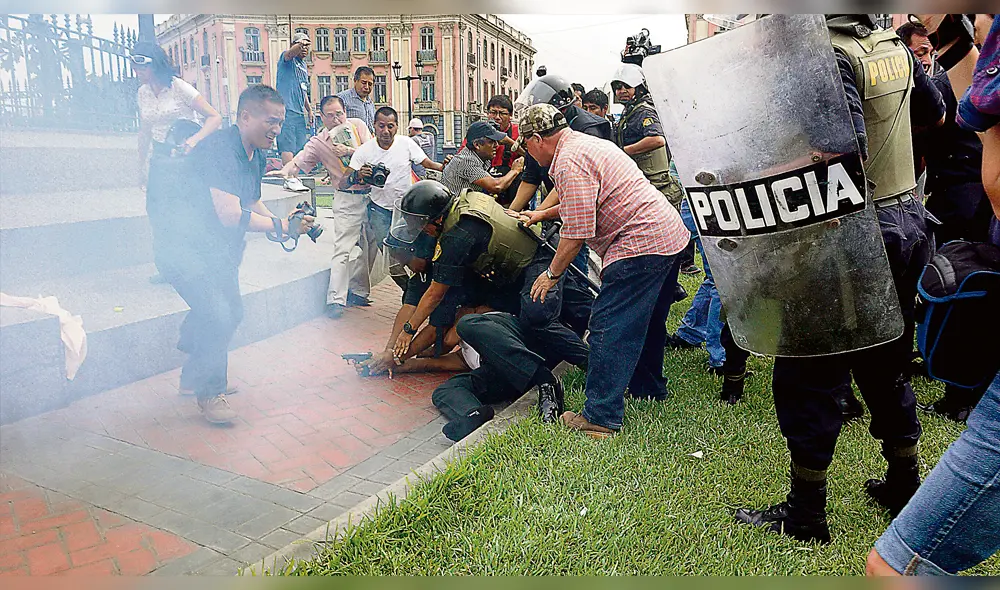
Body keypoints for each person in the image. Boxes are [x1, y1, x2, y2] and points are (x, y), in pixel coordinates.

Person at [734, 13, 946, 544]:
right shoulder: (885, 43)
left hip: (851, 232)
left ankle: (807, 514)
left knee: (810, 367)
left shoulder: (822, 50)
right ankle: (904, 483)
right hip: (906, 222)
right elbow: (936, 113)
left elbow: (842, 152)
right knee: (887, 361)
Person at [865, 13, 1000, 577]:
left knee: (892, 570)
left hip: (927, 204)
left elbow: (946, 118)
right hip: (930, 203)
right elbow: (959, 107)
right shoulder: (962, 57)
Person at [516, 103, 689, 439]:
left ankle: (600, 417)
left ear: (537, 139)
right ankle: (648, 388)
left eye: (525, 145)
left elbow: (578, 231)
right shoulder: (584, 144)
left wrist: (551, 275)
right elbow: (582, 200)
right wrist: (540, 215)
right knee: (648, 321)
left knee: (609, 326)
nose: (526, 153)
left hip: (638, 244)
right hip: (666, 234)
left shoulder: (567, 163)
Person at [156, 85, 315, 424]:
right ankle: (211, 393)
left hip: (217, 252)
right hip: (182, 249)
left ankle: (192, 373)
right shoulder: (220, 150)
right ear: (245, 117)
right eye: (270, 121)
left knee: (232, 311)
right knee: (217, 314)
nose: (276, 130)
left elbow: (250, 201)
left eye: (280, 122)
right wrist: (282, 226)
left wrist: (281, 224)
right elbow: (229, 214)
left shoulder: (253, 153)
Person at [266, 95, 372, 318]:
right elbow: (300, 159)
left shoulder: (358, 126)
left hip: (372, 195)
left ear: (346, 112)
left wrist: (350, 151)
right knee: (343, 248)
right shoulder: (319, 142)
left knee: (369, 247)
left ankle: (359, 291)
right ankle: (336, 300)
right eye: (330, 115)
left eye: (339, 113)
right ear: (321, 117)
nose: (336, 119)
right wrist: (285, 171)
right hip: (347, 197)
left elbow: (373, 153)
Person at [133, 41, 222, 287]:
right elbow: (145, 131)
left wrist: (194, 141)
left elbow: (215, 117)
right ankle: (168, 267)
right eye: (134, 64)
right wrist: (141, 167)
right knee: (159, 214)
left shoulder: (179, 87)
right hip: (160, 158)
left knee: (186, 213)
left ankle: (196, 265)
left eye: (142, 65)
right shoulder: (142, 93)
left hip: (184, 158)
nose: (136, 70)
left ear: (155, 65)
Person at [432, 310, 589, 442]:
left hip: (526, 346)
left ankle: (546, 381)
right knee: (444, 390)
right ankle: (474, 414)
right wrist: (409, 357)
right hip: (507, 374)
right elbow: (431, 361)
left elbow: (452, 335)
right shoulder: (463, 354)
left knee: (466, 324)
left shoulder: (483, 317)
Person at [340, 107, 444, 299]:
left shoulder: (406, 143)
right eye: (381, 126)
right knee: (392, 260)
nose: (386, 131)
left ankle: (421, 293)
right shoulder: (364, 151)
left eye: (390, 126)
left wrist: (445, 166)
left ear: (397, 127)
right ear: (374, 126)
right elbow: (342, 183)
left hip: (408, 211)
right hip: (379, 212)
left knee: (421, 252)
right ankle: (411, 294)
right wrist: (357, 175)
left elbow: (427, 163)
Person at [610, 63, 684, 208]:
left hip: (655, 185)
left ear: (639, 88)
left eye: (627, 86)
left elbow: (657, 140)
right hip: (642, 183)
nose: (622, 91)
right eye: (618, 88)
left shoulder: (644, 111)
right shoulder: (629, 111)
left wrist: (622, 152)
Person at [441, 121, 523, 197]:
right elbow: (496, 186)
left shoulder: (480, 156)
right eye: (491, 142)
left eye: (497, 141)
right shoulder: (467, 160)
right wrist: (515, 170)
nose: (497, 145)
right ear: (477, 145)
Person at [275, 32, 311, 177]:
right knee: (287, 144)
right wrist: (299, 44)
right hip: (286, 109)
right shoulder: (287, 59)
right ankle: (289, 177)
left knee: (300, 146)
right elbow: (290, 54)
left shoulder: (303, 66)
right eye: (302, 45)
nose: (304, 48)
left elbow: (304, 90)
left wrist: (309, 110)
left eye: (307, 46)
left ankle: (296, 176)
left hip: (299, 112)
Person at [337, 66, 376, 133]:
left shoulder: (370, 103)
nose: (366, 87)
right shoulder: (342, 99)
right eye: (363, 83)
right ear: (355, 81)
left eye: (370, 84)